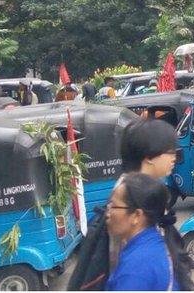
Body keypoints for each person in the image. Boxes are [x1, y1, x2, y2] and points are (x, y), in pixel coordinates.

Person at [68, 119, 181, 291]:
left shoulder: (145, 189)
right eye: (170, 152)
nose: (175, 158)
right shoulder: (129, 196)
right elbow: (120, 263)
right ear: (149, 156)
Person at [105, 173, 194, 291]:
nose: (107, 213)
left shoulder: (135, 269)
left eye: (113, 206)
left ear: (136, 215)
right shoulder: (155, 242)